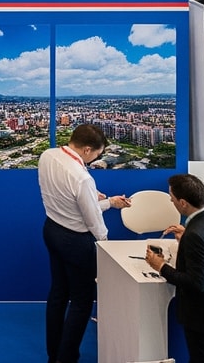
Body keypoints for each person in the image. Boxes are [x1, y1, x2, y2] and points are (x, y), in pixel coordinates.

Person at [39, 123, 132, 363]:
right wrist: (105, 242)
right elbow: (92, 221)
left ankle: (54, 353)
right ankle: (67, 357)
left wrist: (108, 202)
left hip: (52, 229)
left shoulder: (48, 156)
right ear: (88, 149)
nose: (95, 160)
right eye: (97, 155)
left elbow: (72, 204)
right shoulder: (81, 177)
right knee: (81, 301)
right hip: (76, 242)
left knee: (58, 293)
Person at [145, 173, 204, 363]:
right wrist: (187, 237)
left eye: (172, 199)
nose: (171, 202)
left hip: (203, 316)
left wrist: (161, 266)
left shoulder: (195, 234)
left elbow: (196, 283)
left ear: (183, 203)